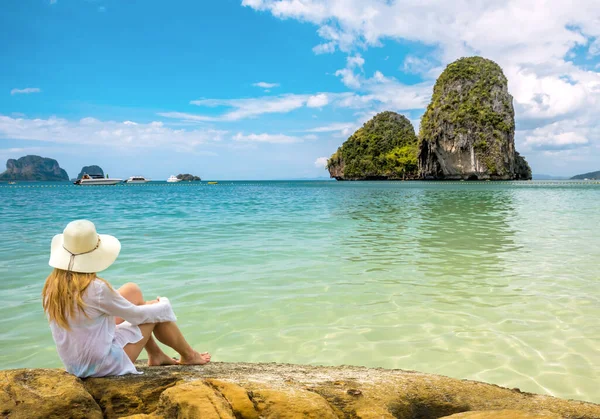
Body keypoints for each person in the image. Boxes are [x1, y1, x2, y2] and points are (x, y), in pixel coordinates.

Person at [42, 219, 211, 378]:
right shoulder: (96, 288)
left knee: (132, 291)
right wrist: (163, 304)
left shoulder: (52, 286)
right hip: (102, 366)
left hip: (75, 365)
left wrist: (149, 307)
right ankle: (189, 355)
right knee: (153, 314)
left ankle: (156, 354)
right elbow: (137, 316)